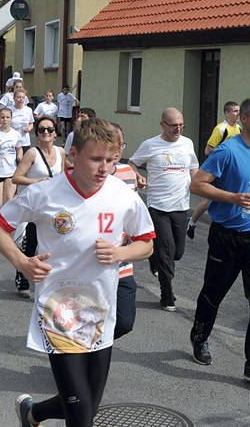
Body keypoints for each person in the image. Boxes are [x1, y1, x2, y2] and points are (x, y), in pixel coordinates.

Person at [0, 118, 155, 427]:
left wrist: (120, 252)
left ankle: (33, 413)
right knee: (81, 418)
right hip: (58, 311)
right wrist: (22, 262)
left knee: (86, 406)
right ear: (73, 155)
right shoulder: (45, 193)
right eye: (96, 159)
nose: (104, 167)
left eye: (110, 159)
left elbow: (146, 244)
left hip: (100, 313)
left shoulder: (123, 196)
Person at [189, 97, 250, 388]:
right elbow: (197, 184)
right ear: (243, 119)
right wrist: (232, 197)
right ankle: (199, 337)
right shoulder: (227, 151)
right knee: (213, 294)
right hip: (225, 236)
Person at [129, 107, 199, 312]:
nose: (178, 129)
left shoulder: (187, 143)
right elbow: (132, 163)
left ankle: (154, 257)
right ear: (162, 125)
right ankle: (167, 296)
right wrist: (138, 177)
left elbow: (193, 167)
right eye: (174, 125)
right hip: (158, 206)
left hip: (181, 206)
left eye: (181, 125)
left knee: (177, 252)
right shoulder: (150, 145)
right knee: (167, 252)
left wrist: (199, 182)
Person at [10, 116, 68, 298]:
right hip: (35, 207)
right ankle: (22, 279)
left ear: (55, 133)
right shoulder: (32, 153)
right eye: (42, 130)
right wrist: (38, 181)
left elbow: (66, 174)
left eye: (50, 129)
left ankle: (52, 281)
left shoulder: (61, 152)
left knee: (55, 246)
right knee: (30, 245)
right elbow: (16, 177)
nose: (46, 132)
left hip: (56, 207)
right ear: (37, 134)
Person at [186, 100, 240, 239]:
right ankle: (191, 222)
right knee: (211, 199)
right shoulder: (221, 129)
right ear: (227, 113)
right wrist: (225, 156)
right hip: (217, 169)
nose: (238, 114)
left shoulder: (239, 128)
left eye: (239, 111)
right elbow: (208, 150)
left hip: (231, 170)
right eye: (234, 111)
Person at [109, 123, 140, 339]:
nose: (119, 149)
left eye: (122, 144)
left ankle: (94, 346)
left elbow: (134, 212)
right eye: (114, 144)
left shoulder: (128, 172)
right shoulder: (82, 174)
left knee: (124, 322)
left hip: (122, 264)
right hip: (89, 268)